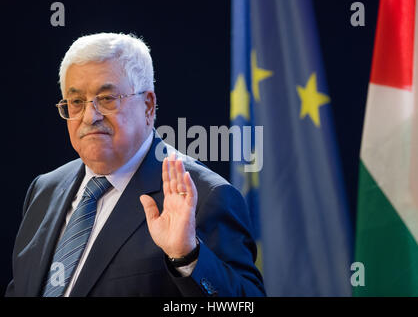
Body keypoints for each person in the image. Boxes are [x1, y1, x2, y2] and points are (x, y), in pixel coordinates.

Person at [5, 32, 265, 297]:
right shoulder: (44, 189)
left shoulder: (204, 195)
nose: (89, 116)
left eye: (107, 99)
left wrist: (187, 258)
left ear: (148, 106)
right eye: (76, 102)